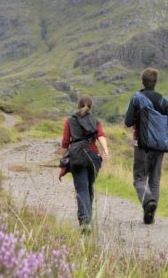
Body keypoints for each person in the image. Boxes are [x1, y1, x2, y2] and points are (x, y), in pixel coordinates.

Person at [124, 68, 168, 224]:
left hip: (141, 145)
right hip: (159, 146)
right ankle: (150, 214)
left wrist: (139, 116)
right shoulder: (164, 101)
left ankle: (148, 201)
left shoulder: (136, 98)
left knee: (139, 178)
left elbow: (128, 122)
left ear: (142, 81)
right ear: (155, 82)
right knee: (154, 181)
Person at [61, 96, 110, 232]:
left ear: (78, 106)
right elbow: (100, 135)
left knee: (82, 188)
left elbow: (65, 142)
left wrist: (63, 159)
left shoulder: (70, 121)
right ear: (91, 107)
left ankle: (85, 222)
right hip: (93, 157)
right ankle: (88, 219)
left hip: (77, 157)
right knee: (89, 187)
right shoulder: (95, 120)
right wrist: (106, 150)